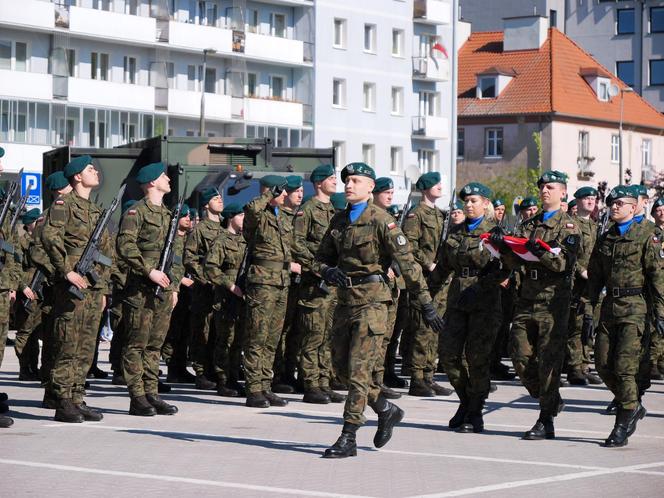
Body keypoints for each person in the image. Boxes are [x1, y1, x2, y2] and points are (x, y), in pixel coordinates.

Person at [314, 162, 445, 458]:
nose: (349, 185)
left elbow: (409, 265)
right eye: (347, 180)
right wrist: (327, 271)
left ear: (370, 187)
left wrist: (426, 304)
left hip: (374, 302)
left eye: (356, 181)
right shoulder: (339, 221)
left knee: (360, 371)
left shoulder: (382, 221)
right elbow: (317, 259)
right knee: (341, 369)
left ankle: (348, 436)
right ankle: (386, 409)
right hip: (345, 301)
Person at [490, 170, 581, 440]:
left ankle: (545, 419)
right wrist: (503, 247)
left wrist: (539, 250)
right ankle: (549, 400)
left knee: (549, 362)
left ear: (563, 192)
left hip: (553, 302)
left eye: (551, 187)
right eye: (542, 187)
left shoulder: (569, 226)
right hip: (527, 298)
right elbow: (515, 261)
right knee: (518, 355)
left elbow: (563, 264)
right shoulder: (529, 223)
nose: (544, 191)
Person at [585, 185, 664, 447]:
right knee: (603, 365)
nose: (615, 206)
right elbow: (595, 276)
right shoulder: (606, 237)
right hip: (609, 307)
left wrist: (661, 314)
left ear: (634, 207)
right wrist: (587, 307)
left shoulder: (648, 235)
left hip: (636, 307)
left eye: (621, 203)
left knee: (624, 368)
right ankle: (633, 405)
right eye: (613, 203)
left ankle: (623, 420)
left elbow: (657, 278)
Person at [41, 155, 112, 423]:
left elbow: (106, 253)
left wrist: (103, 290)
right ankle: (62, 401)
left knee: (85, 347)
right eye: (90, 169)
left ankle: (77, 397)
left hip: (92, 291)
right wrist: (66, 270)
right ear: (77, 177)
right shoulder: (64, 204)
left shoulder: (96, 211)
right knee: (67, 344)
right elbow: (49, 236)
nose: (96, 172)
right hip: (71, 288)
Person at [435, 183, 509, 433]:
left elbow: (505, 268)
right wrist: (423, 298)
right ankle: (466, 400)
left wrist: (481, 287)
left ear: (486, 203)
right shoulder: (455, 232)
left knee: (477, 358)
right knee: (448, 354)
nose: (468, 204)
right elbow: (443, 267)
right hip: (457, 299)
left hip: (484, 300)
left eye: (474, 200)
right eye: (466, 200)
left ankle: (475, 410)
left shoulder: (496, 232)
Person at [116, 162, 179, 417]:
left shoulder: (167, 215)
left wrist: (173, 287)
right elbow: (125, 246)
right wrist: (148, 270)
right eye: (164, 177)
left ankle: (152, 393)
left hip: (163, 288)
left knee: (155, 344)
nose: (168, 180)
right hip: (141, 288)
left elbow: (174, 254)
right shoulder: (136, 213)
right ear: (152, 182)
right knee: (136, 343)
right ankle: (137, 397)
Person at [242, 175, 298, 408]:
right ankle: (253, 389)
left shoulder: (283, 217)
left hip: (282, 282)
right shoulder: (257, 215)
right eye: (281, 191)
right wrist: (268, 194)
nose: (285, 195)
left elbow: (294, 248)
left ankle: (265, 385)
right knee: (257, 336)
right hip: (262, 283)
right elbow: (252, 208)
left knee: (272, 339)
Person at [292, 165, 345, 404]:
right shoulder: (308, 210)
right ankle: (311, 384)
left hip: (333, 283)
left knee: (328, 335)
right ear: (319, 183)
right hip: (315, 283)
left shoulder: (335, 211)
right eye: (331, 178)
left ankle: (324, 381)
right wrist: (317, 267)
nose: (336, 181)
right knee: (313, 335)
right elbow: (296, 244)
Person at [402, 172, 452, 397]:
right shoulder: (416, 215)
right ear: (425, 188)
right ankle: (417, 378)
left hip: (440, 281)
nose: (440, 187)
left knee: (435, 330)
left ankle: (429, 375)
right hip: (423, 278)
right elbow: (409, 246)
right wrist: (429, 264)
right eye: (436, 184)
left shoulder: (441, 215)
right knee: (422, 329)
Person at [205, 203, 247, 397]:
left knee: (238, 340)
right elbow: (211, 267)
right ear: (232, 218)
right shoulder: (221, 240)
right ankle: (222, 380)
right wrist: (230, 285)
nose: (244, 219)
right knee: (225, 340)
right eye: (241, 215)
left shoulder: (246, 241)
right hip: (226, 297)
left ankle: (233, 378)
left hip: (243, 297)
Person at [184, 187, 223, 391]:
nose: (220, 201)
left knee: (218, 330)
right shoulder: (200, 229)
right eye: (215, 198)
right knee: (203, 330)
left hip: (221, 290)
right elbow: (189, 258)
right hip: (205, 289)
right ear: (207, 204)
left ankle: (216, 369)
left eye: (220, 197)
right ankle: (202, 372)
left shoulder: (225, 227)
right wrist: (205, 278)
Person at [369, 178, 402, 400]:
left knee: (386, 338)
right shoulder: (371, 218)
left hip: (391, 286)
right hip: (374, 287)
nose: (390, 196)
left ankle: (379, 380)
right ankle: (372, 382)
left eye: (392, 192)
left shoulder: (390, 219)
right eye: (386, 192)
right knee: (374, 338)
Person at [566, 187, 602, 386]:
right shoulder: (571, 225)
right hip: (576, 284)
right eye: (586, 198)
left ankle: (584, 365)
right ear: (577, 201)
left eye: (593, 198)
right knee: (576, 325)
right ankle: (574, 368)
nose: (590, 201)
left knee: (589, 326)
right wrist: (581, 270)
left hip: (593, 285)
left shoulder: (595, 226)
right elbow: (567, 254)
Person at [273, 175, 305, 394]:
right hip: (282, 279)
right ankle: (277, 375)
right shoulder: (278, 218)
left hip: (298, 282)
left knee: (294, 331)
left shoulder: (295, 216)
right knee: (280, 332)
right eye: (295, 191)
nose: (300, 194)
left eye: (302, 191)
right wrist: (289, 264)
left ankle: (288, 372)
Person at [161, 205, 195, 384]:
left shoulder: (188, 239)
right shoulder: (171, 240)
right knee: (173, 333)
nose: (188, 218)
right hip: (174, 288)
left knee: (184, 333)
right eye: (184, 216)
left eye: (189, 215)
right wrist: (181, 281)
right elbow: (170, 266)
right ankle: (173, 369)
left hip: (186, 292)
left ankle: (180, 368)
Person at [13, 208, 42, 381]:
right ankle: (24, 369)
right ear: (30, 225)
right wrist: (23, 287)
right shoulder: (22, 243)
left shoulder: (41, 241)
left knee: (35, 333)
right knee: (25, 332)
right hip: (27, 291)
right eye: (37, 222)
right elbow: (15, 268)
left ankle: (34, 367)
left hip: (39, 292)